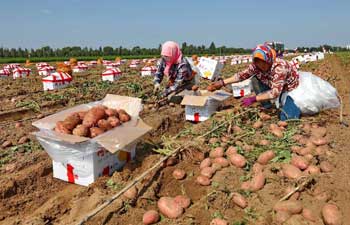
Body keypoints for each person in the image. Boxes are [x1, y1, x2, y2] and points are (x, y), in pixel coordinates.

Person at [207, 44, 301, 121]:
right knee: (255, 79)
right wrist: (222, 83)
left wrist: (254, 99)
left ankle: (293, 105)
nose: (261, 67)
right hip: (273, 85)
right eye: (258, 64)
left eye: (263, 63)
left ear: (268, 59)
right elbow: (241, 75)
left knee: (287, 118)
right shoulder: (256, 66)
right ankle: (267, 106)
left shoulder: (280, 67)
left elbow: (275, 93)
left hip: (289, 90)